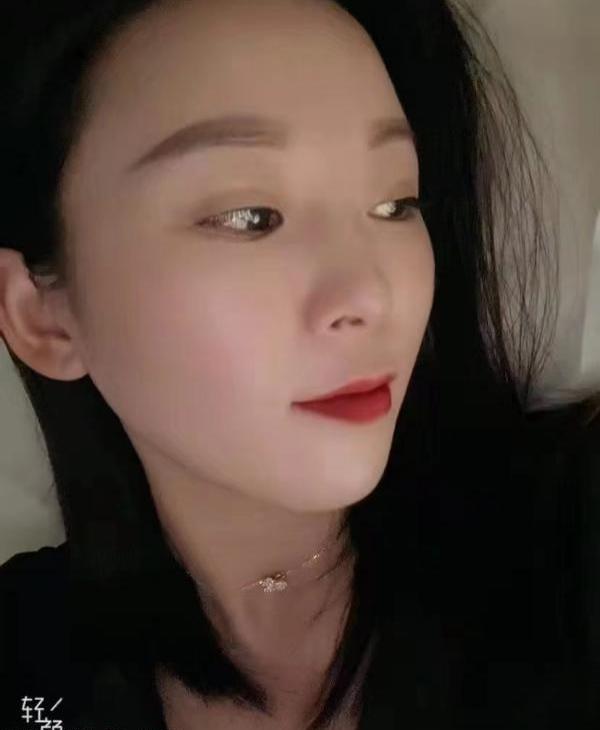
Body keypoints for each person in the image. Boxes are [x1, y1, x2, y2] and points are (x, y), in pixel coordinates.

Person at [0, 0, 598, 728]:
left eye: (395, 204)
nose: (370, 295)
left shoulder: (565, 539)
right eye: (250, 217)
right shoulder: (28, 660)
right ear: (42, 317)